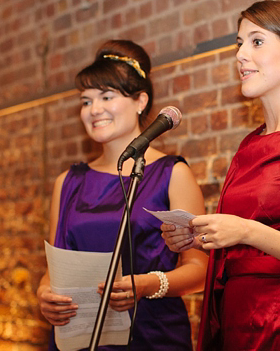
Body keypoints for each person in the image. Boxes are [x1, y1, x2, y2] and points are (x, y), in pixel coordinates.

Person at [161, 0, 280, 350]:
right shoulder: (250, 144)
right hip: (237, 322)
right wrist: (199, 239)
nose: (240, 55)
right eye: (239, 44)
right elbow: (245, 243)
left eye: (256, 41)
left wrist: (248, 231)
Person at [37, 39, 208, 350]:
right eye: (86, 101)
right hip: (80, 338)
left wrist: (147, 284)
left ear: (141, 101)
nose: (94, 110)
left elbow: (199, 270)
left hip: (152, 335)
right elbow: (55, 268)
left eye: (106, 96)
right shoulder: (67, 182)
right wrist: (45, 293)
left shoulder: (173, 173)